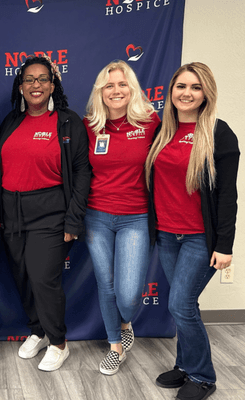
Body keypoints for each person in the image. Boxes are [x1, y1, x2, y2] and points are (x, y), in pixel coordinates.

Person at [145, 62, 239, 400]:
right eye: (181, 86)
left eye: (195, 87)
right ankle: (185, 365)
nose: (187, 93)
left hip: (201, 237)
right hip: (169, 235)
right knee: (184, 305)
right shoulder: (162, 131)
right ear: (171, 92)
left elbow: (228, 195)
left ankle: (203, 377)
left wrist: (225, 245)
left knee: (181, 305)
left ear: (206, 93)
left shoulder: (218, 132)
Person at [0, 55, 91, 371]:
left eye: (42, 79)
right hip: (12, 212)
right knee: (23, 277)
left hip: (51, 213)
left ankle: (58, 342)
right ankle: (38, 330)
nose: (35, 85)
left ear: (52, 85)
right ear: (20, 86)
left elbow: (81, 173)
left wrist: (74, 218)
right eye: (29, 79)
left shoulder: (68, 121)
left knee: (42, 277)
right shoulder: (10, 121)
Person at [83, 60, 160, 375]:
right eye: (109, 85)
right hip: (96, 216)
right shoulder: (90, 125)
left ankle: (126, 321)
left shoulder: (152, 122)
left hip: (135, 217)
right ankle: (115, 345)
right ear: (101, 91)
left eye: (122, 84)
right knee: (106, 284)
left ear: (133, 89)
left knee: (128, 295)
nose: (116, 90)